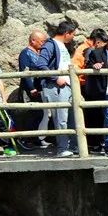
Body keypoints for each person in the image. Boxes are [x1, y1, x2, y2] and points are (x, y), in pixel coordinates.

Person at [33, 20, 78, 157]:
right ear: (66, 33)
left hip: (67, 86)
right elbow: (41, 64)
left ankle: (74, 146)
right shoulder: (50, 45)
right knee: (61, 118)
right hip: (56, 87)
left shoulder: (62, 45)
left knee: (72, 117)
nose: (73, 37)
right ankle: (62, 148)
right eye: (73, 34)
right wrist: (55, 78)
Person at [17, 30, 51, 149]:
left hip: (39, 88)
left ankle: (36, 138)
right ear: (33, 40)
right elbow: (25, 71)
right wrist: (31, 88)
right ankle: (25, 139)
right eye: (41, 41)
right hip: (30, 90)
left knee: (40, 113)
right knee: (33, 114)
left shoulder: (38, 53)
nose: (43, 44)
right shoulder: (25, 53)